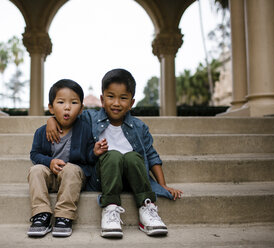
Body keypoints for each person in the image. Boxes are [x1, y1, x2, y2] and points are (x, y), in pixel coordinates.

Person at [46, 69, 182, 238]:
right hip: (103, 177)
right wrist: (51, 120)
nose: (116, 103)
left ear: (131, 103)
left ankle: (147, 208)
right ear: (102, 99)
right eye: (111, 97)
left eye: (123, 98)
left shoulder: (140, 127)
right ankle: (110, 207)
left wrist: (162, 185)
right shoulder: (90, 118)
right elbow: (69, 116)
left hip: (133, 177)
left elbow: (152, 156)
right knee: (113, 155)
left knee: (132, 156)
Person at [28, 79, 99, 238]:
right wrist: (49, 162)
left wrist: (94, 152)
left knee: (71, 169)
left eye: (73, 103)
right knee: (36, 170)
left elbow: (89, 158)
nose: (67, 107)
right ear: (51, 108)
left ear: (81, 109)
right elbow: (34, 154)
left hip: (73, 179)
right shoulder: (41, 132)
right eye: (61, 102)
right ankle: (41, 214)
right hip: (51, 178)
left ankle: (64, 216)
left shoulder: (85, 130)